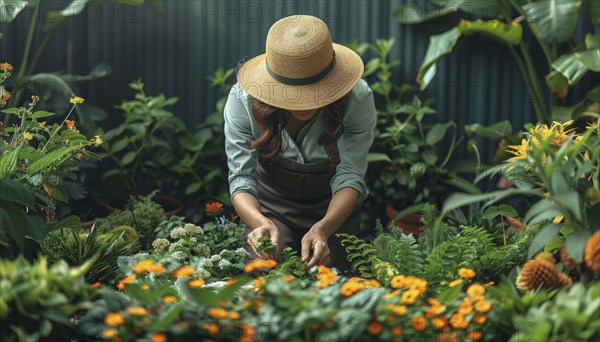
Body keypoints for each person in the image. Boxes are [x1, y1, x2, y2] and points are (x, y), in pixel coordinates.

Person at [224, 15, 376, 271]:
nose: (304, 103)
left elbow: (351, 175)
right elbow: (241, 177)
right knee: (263, 273)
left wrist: (323, 228)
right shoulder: (242, 100)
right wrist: (259, 223)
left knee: (336, 279)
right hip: (270, 207)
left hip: (334, 208)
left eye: (316, 91)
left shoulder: (357, 98)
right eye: (293, 93)